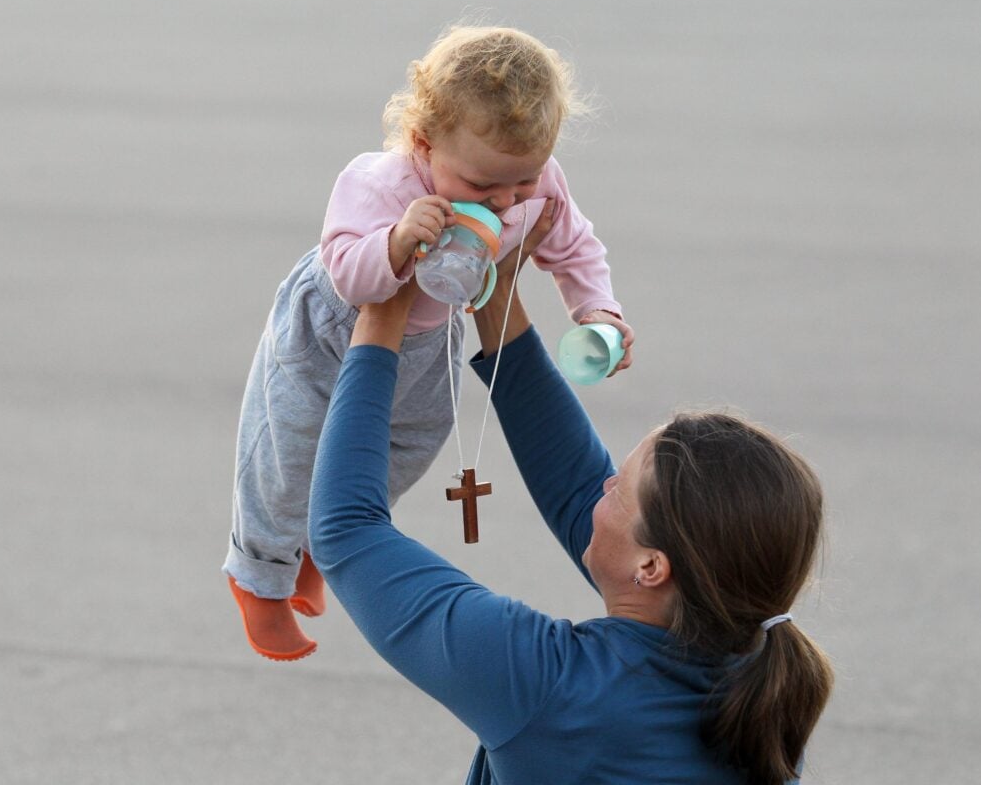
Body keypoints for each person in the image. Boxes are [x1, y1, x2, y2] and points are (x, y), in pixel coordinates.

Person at [307, 217, 834, 782]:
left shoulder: (550, 685)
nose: (601, 487)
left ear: (653, 567)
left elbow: (347, 531)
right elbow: (579, 486)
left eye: (619, 489)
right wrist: (496, 293)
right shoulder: (761, 690)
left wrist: (384, 308)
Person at [223, 24, 634, 661]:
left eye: (521, 184)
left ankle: (311, 546)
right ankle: (258, 578)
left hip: (428, 338)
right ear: (423, 142)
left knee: (412, 442)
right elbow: (346, 271)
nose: (504, 202)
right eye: (482, 188)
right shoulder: (381, 184)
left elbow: (572, 247)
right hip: (331, 328)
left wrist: (597, 310)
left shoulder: (534, 181)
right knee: (289, 451)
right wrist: (393, 243)